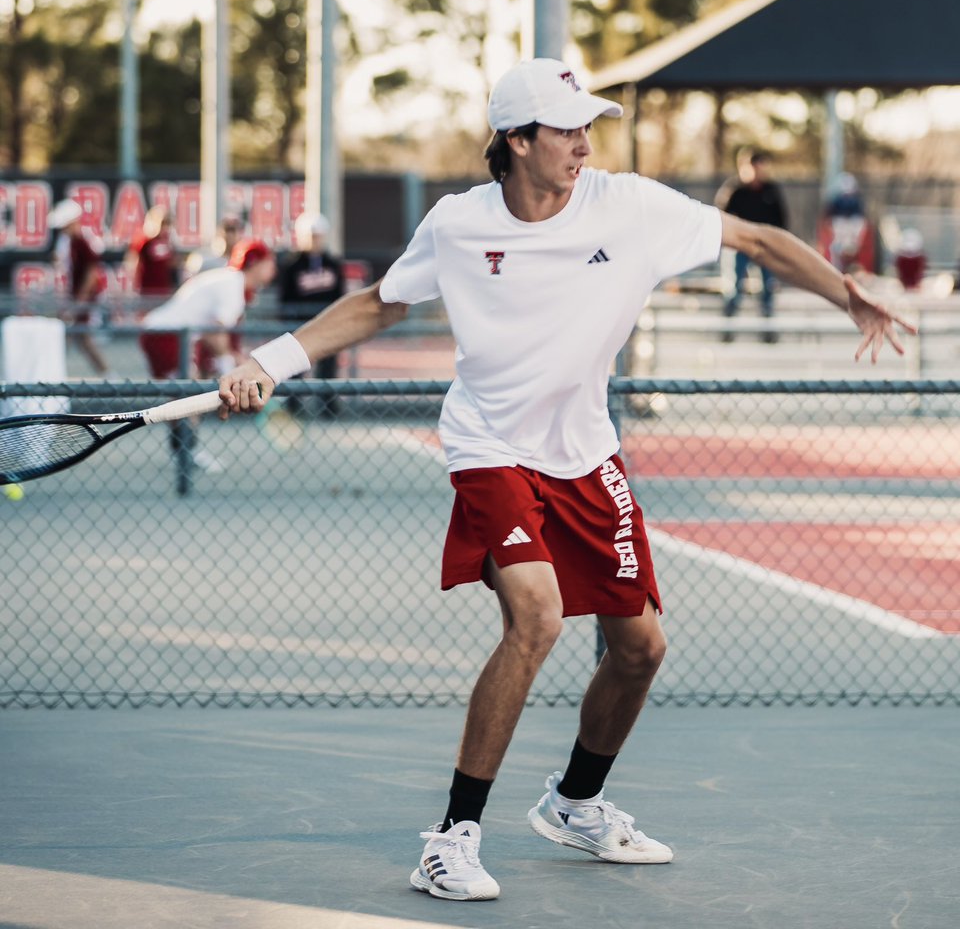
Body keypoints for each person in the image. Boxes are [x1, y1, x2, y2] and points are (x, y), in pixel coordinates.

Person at [217, 59, 913, 903]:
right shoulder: (458, 225)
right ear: (515, 141)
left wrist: (850, 297)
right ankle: (451, 839)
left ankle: (576, 802)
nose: (584, 144)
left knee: (641, 648)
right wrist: (271, 361)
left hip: (585, 451)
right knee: (538, 616)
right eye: (564, 129)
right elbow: (378, 304)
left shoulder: (633, 208)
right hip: (489, 446)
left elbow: (758, 242)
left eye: (589, 126)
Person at [140, 239, 276, 474]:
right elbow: (216, 333)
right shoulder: (234, 284)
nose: (273, 268)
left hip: (163, 334)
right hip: (166, 336)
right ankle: (187, 453)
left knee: (180, 398)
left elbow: (216, 336)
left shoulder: (232, 283)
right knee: (189, 395)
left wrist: (231, 360)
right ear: (256, 264)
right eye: (269, 262)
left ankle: (183, 452)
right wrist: (229, 368)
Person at [715, 148, 789, 340]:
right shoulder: (736, 190)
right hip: (739, 247)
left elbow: (781, 220)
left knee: (767, 288)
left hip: (765, 248)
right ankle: (727, 329)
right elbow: (721, 217)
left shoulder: (771, 190)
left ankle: (768, 331)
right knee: (734, 287)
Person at [279, 212, 345, 417]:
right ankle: (293, 404)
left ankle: (328, 406)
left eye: (318, 236)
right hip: (300, 326)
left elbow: (339, 295)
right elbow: (285, 297)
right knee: (296, 367)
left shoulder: (332, 264)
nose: (315, 241)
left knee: (328, 367)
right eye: (311, 236)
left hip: (327, 325)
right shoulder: (292, 265)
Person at [48, 198, 113, 377]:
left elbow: (92, 274)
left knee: (77, 336)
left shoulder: (82, 241)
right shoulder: (72, 242)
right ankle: (105, 374)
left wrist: (79, 301)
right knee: (73, 336)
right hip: (79, 298)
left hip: (84, 299)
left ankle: (107, 375)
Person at [124, 205, 179, 305]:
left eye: (168, 224)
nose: (165, 228)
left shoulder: (168, 243)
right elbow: (133, 264)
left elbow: (172, 265)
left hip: (164, 292)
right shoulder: (144, 241)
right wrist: (133, 289)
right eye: (163, 224)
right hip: (147, 292)